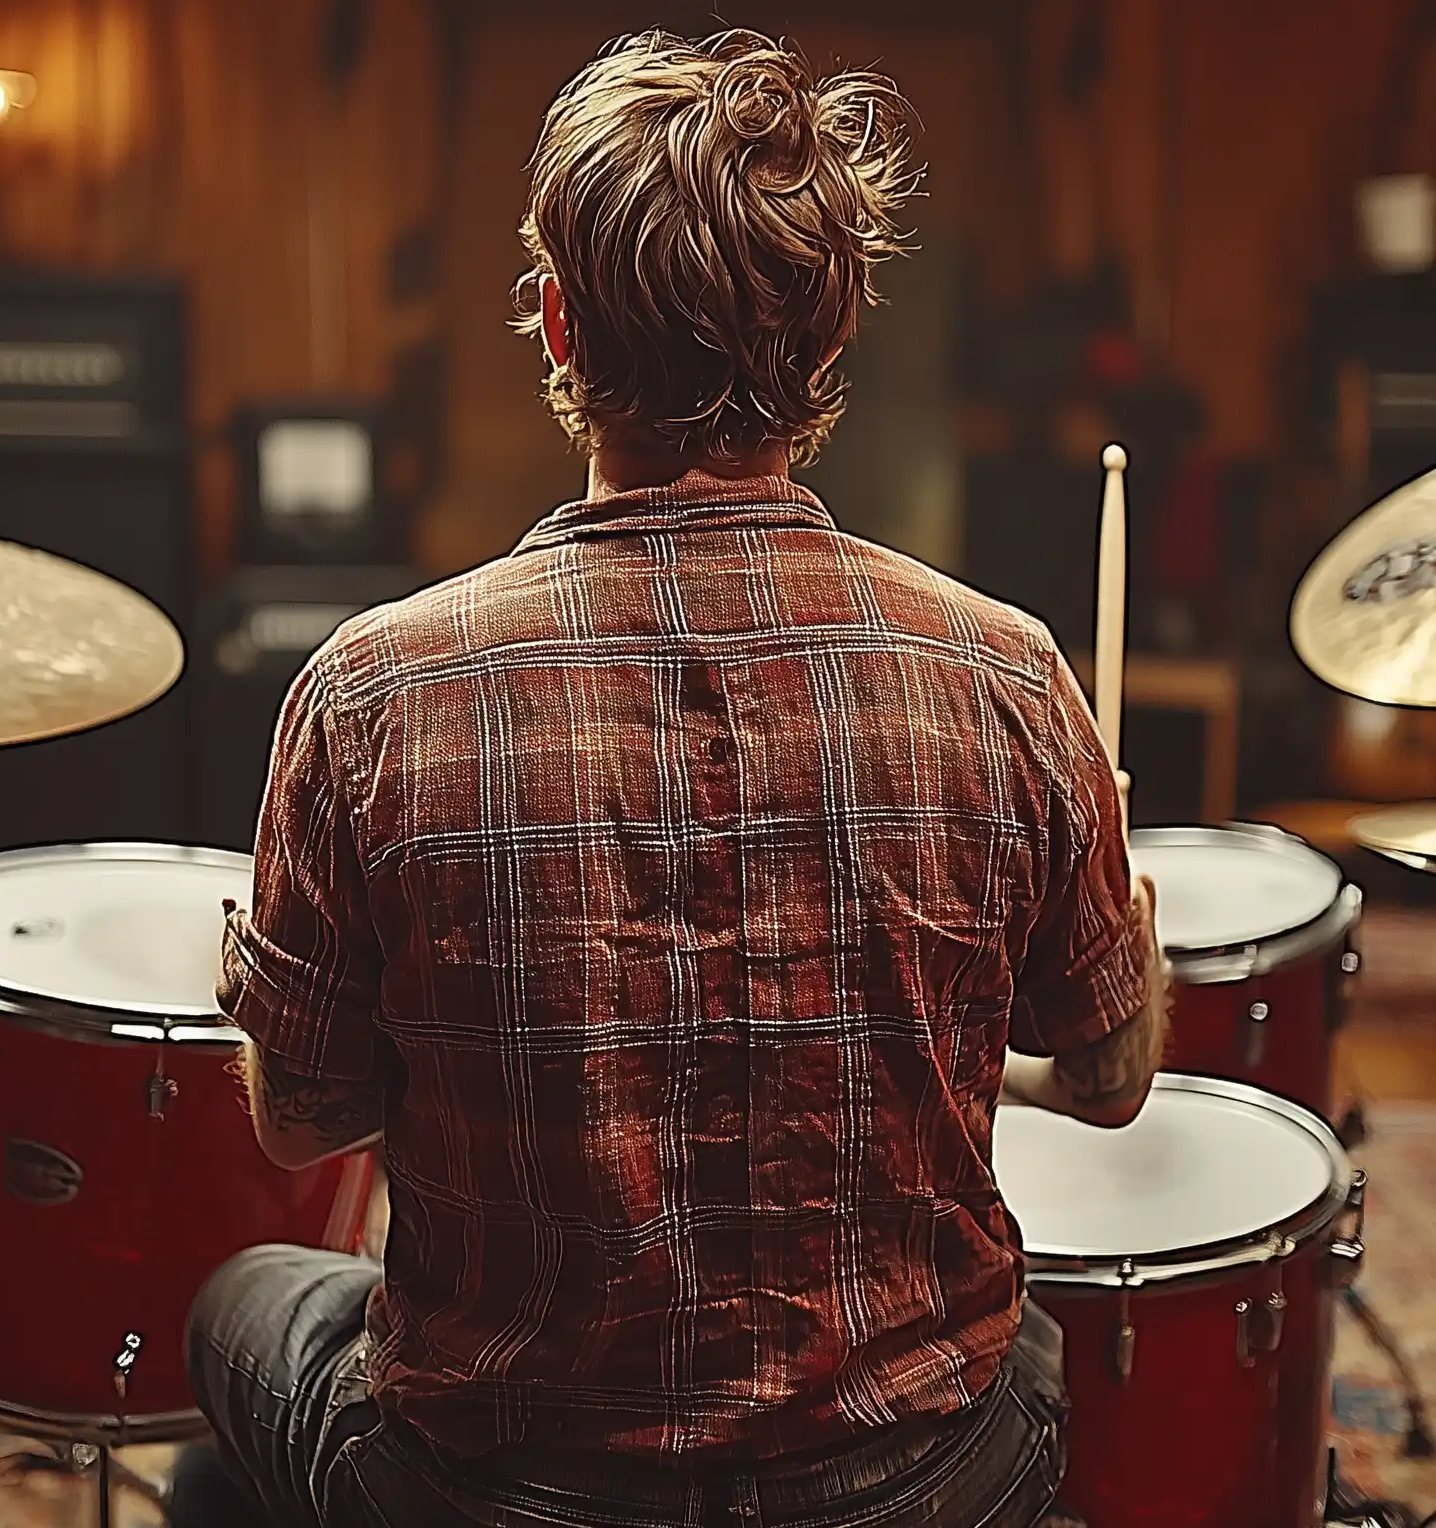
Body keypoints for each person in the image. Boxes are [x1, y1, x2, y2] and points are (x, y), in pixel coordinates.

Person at [174, 28, 1170, 1527]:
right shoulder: (1010, 675)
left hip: (503, 1484)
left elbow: (305, 1120)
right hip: (908, 1484)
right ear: (833, 348)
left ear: (561, 329)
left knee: (240, 1310)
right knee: (1023, 1348)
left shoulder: (368, 693)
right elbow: (1107, 1083)